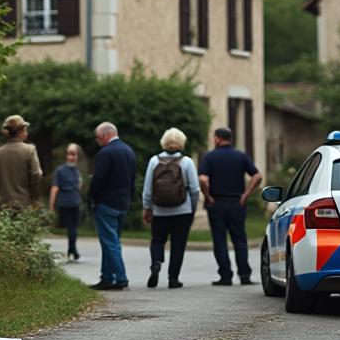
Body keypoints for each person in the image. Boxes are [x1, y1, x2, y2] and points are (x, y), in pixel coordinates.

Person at [198, 127, 264, 286]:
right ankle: (244, 275)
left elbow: (203, 180)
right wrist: (245, 194)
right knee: (240, 239)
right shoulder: (241, 156)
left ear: (217, 139)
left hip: (217, 203)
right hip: (237, 203)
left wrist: (207, 196)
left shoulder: (209, 157)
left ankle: (225, 276)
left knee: (220, 240)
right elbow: (257, 176)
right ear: (230, 138)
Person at [140, 128, 200, 289]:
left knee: (157, 240)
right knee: (178, 244)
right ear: (182, 142)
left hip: (159, 210)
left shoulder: (154, 161)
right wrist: (192, 208)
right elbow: (195, 189)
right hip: (183, 210)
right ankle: (173, 278)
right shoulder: (186, 162)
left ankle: (156, 263)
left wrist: (147, 208)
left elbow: (147, 189)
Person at [88, 121, 136, 290]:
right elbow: (132, 178)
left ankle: (121, 278)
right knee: (112, 241)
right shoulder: (128, 151)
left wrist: (93, 198)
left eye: (98, 138)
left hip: (106, 203)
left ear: (106, 135)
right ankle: (107, 277)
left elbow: (98, 180)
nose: (98, 141)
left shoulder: (106, 153)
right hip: (123, 202)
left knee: (109, 242)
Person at [0, 115, 43, 210]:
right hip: (25, 204)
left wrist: (1, 194)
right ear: (21, 131)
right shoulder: (30, 150)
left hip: (4, 205)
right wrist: (34, 197)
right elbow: (36, 174)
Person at [49, 143, 84, 262]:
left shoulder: (76, 170)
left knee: (73, 228)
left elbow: (79, 185)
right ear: (66, 155)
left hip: (75, 201)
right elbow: (55, 187)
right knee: (72, 228)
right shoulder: (60, 170)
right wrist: (51, 204)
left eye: (74, 154)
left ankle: (72, 249)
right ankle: (73, 250)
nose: (71, 157)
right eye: (70, 154)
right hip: (65, 202)